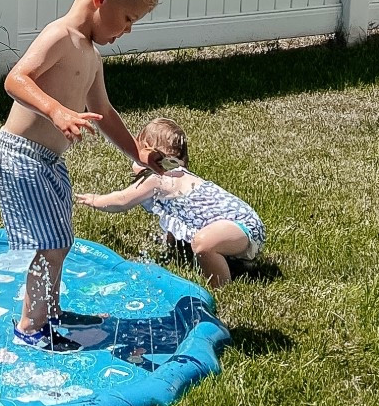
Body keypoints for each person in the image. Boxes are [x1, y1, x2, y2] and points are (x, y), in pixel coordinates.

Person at [0, 0, 161, 349]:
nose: (128, 30)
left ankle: (46, 309)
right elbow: (16, 79)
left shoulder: (92, 56)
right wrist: (56, 111)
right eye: (127, 18)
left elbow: (102, 109)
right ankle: (31, 327)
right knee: (51, 243)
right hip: (20, 155)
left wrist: (137, 151)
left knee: (59, 241)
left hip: (47, 161)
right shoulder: (59, 36)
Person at [78, 115, 264, 288]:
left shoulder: (158, 178)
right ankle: (238, 264)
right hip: (244, 225)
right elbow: (178, 219)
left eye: (137, 152)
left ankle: (221, 288)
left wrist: (95, 200)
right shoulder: (177, 176)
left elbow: (121, 200)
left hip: (238, 228)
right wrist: (171, 245)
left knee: (203, 244)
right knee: (201, 241)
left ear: (151, 154)